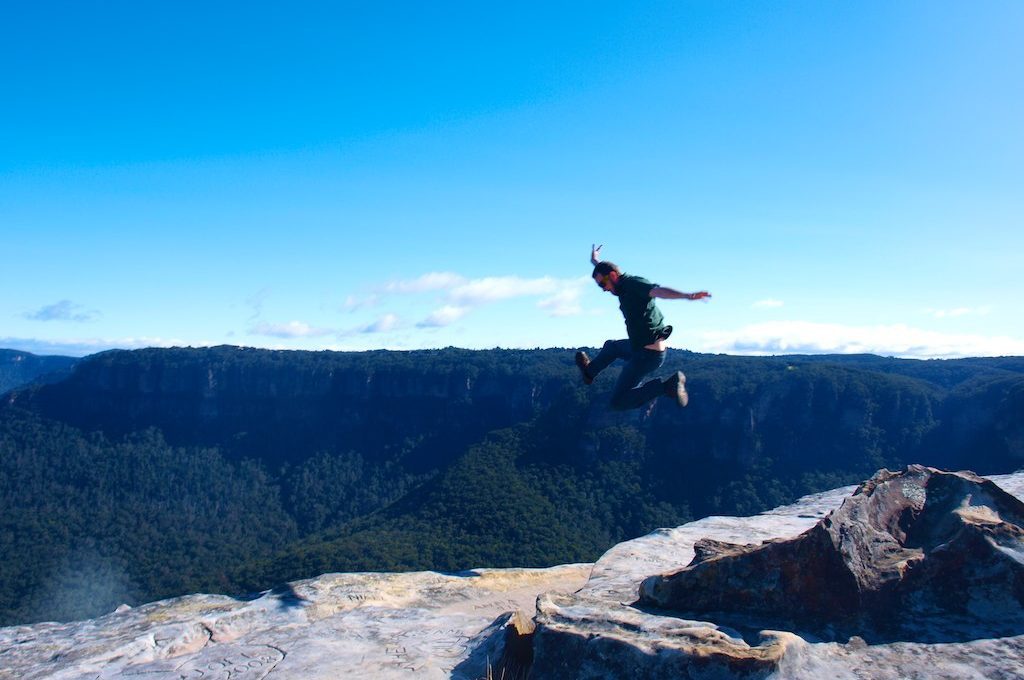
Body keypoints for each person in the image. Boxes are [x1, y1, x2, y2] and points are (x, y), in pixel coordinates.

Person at [576, 244, 710, 411]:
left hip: (647, 356)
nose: (604, 289)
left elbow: (658, 291)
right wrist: (595, 260)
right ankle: (589, 373)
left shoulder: (634, 284)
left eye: (603, 284)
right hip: (638, 346)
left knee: (618, 402)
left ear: (613, 276)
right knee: (612, 346)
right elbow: (604, 271)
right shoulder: (620, 285)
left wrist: (687, 296)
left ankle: (667, 386)